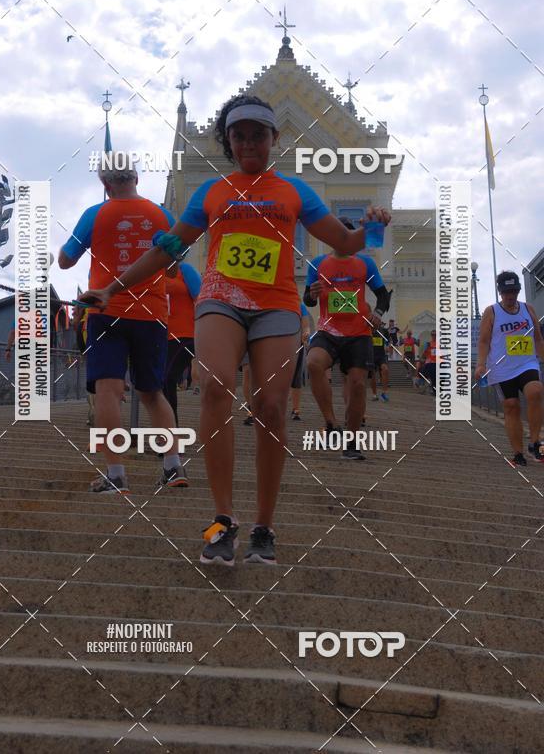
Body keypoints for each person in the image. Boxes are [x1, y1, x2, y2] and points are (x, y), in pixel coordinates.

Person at [80, 94, 390, 564]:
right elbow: (168, 248)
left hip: (277, 305)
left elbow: (346, 242)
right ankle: (222, 520)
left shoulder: (295, 192)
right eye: (239, 134)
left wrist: (374, 227)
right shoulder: (211, 192)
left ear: (273, 139)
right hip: (221, 300)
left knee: (270, 404)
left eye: (258, 135)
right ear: (228, 140)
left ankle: (264, 526)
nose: (249, 142)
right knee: (215, 386)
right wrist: (113, 288)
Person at [59, 157, 188, 494]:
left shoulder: (94, 214)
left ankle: (116, 474)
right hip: (153, 314)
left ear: (106, 185)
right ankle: (173, 467)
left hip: (107, 309)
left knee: (108, 390)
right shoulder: (164, 216)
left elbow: (65, 260)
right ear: (137, 178)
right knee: (152, 392)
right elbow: (173, 269)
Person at [304, 218, 391, 460]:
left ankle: (351, 443)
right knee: (313, 363)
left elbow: (383, 296)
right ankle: (331, 423)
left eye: (348, 235)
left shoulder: (365, 264)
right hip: (328, 330)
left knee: (358, 385)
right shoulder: (319, 264)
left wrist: (378, 314)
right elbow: (308, 300)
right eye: (338, 235)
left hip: (358, 333)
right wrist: (312, 294)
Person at [475, 271, 544, 467]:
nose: (510, 296)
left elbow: (538, 339)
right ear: (500, 292)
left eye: (514, 291)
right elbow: (484, 341)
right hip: (501, 368)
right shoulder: (492, 311)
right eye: (506, 292)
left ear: (519, 291)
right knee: (511, 406)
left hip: (526, 363)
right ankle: (518, 453)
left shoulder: (528, 309)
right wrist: (480, 364)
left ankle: (535, 442)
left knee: (536, 391)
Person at [163, 260, 201, 424]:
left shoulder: (184, 269)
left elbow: (201, 298)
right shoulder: (152, 271)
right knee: (161, 383)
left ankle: (171, 437)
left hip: (185, 336)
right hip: (160, 336)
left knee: (167, 379)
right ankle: (169, 434)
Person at [290, 302, 311, 420]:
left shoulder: (300, 305)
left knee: (296, 378)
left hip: (297, 343)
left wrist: (306, 331)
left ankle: (296, 409)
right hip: (278, 343)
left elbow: (306, 324)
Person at [369, 323, 390, 401]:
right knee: (373, 375)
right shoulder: (368, 330)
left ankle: (384, 393)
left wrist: (388, 346)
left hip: (381, 355)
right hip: (371, 355)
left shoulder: (384, 331)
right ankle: (374, 394)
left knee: (385, 369)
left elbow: (388, 341)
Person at [418, 330, 438, 394]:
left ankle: (434, 390)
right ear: (431, 335)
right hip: (429, 363)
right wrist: (422, 359)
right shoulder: (428, 344)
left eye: (435, 335)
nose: (434, 336)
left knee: (434, 378)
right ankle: (422, 386)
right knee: (423, 373)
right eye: (432, 335)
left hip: (436, 363)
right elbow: (424, 353)